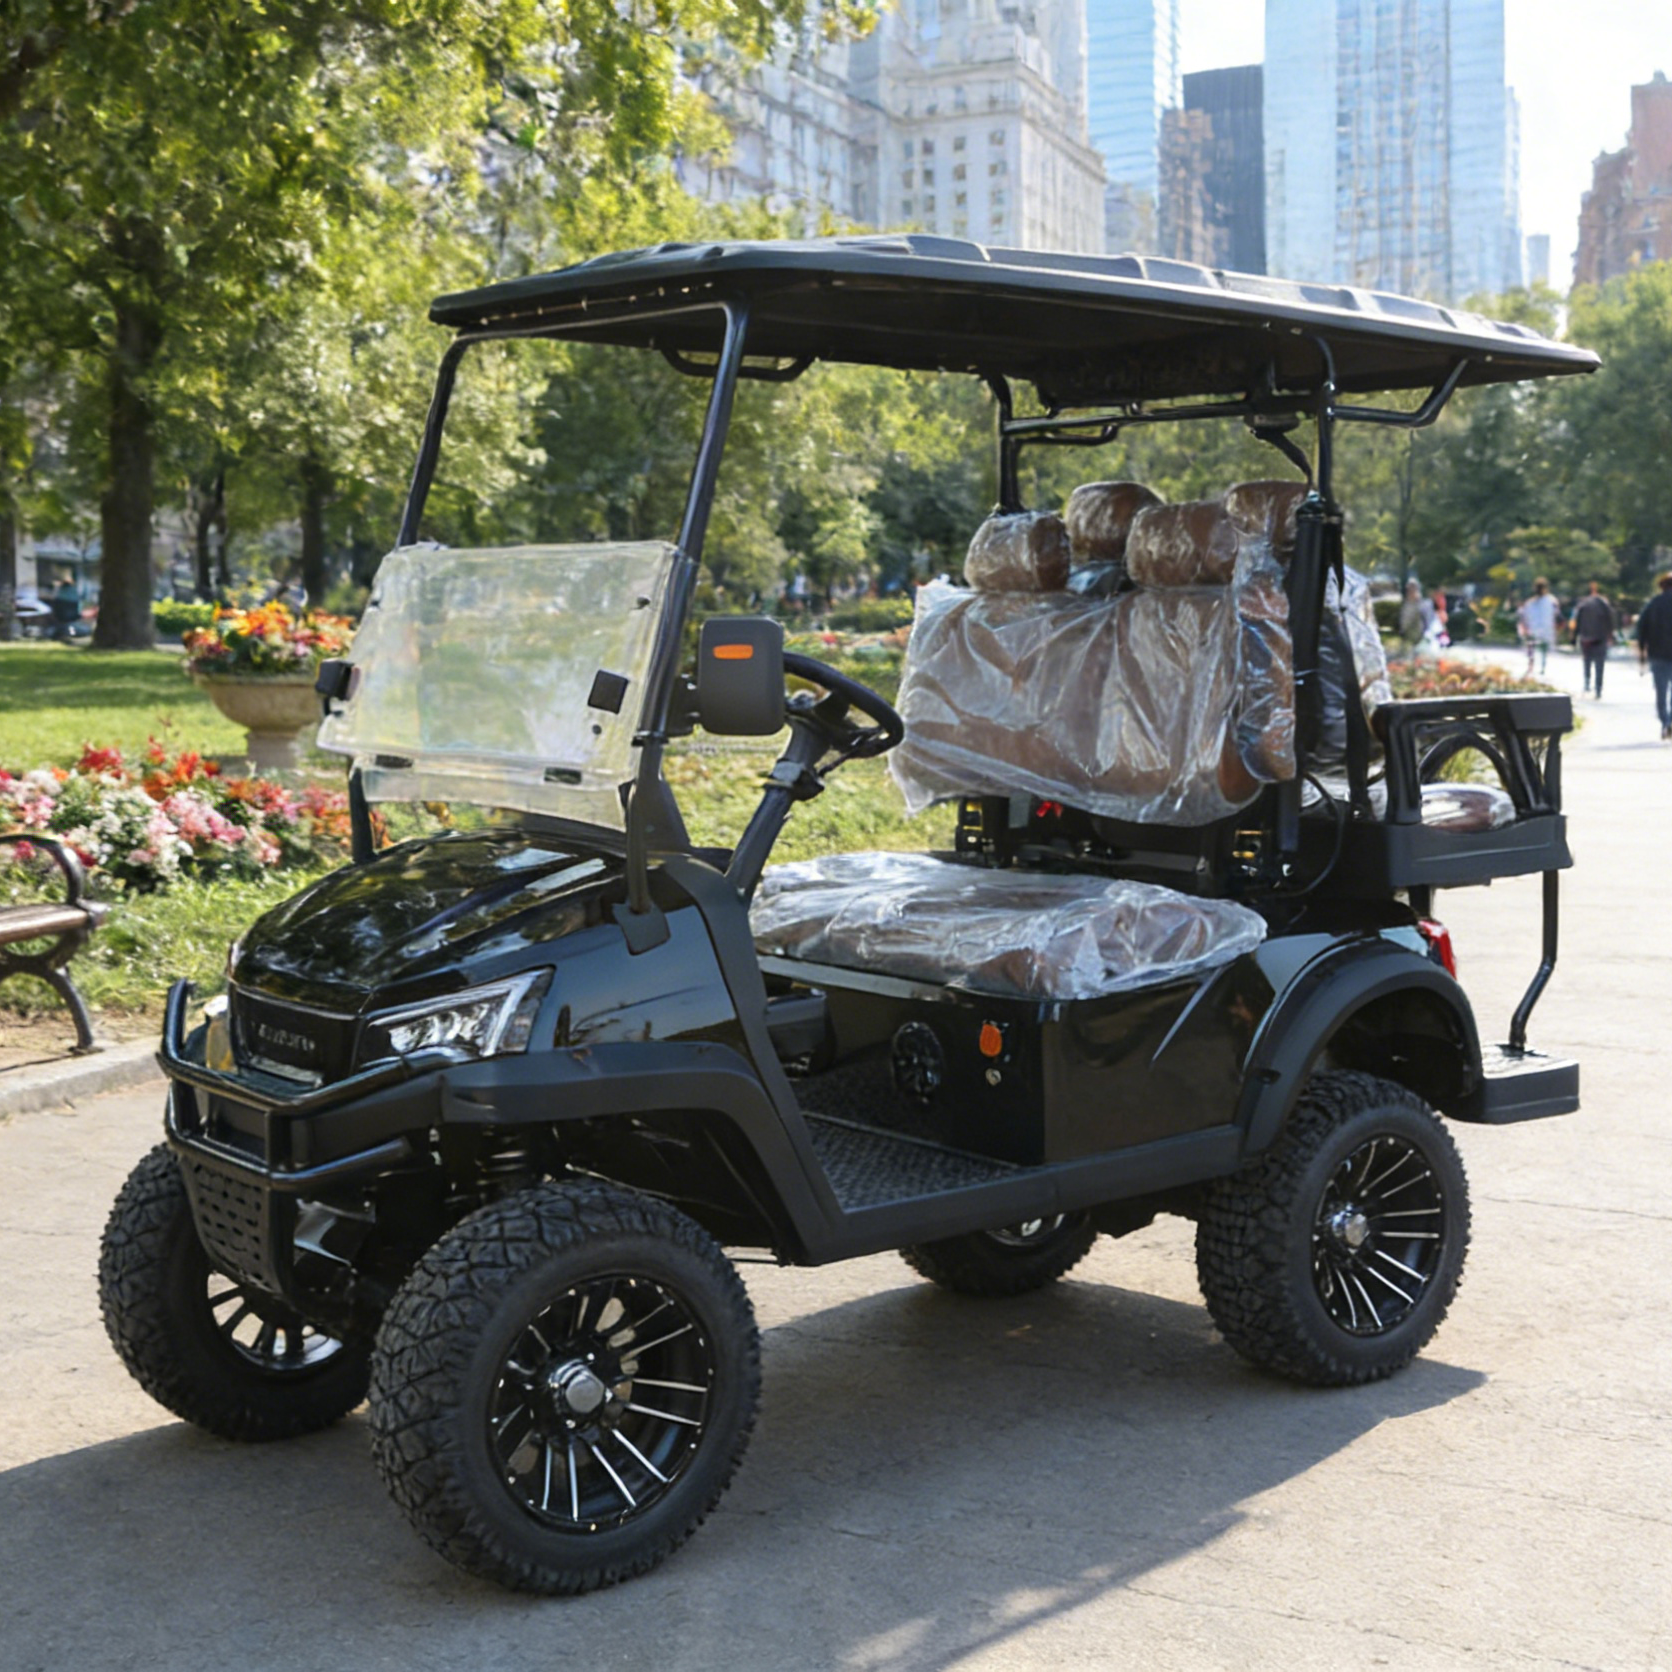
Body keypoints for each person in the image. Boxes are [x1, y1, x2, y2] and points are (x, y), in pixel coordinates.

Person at [1635, 572, 1672, 740]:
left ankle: (1665, 721)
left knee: (1661, 691)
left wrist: (1642, 651)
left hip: (1657, 654)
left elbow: (1641, 628)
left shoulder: (1653, 604)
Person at [1570, 581, 1617, 698]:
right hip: (1600, 637)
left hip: (1586, 638)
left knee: (1587, 661)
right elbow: (1610, 619)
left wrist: (1574, 637)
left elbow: (1577, 622)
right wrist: (1611, 634)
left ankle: (1587, 683)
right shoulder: (1603, 603)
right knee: (1599, 664)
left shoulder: (1583, 604)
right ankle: (1598, 688)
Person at [1518, 577, 1558, 676]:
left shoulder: (1533, 602)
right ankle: (1538, 666)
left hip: (1540, 630)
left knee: (1534, 648)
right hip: (1541, 630)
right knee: (1537, 648)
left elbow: (1523, 616)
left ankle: (1536, 666)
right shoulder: (1550, 601)